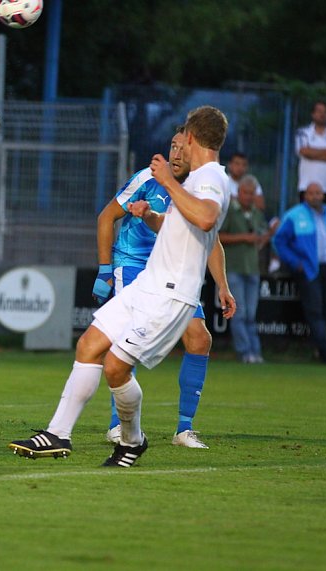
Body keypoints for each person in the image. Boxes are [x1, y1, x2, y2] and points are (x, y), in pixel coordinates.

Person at [9, 106, 234, 468]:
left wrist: (168, 183)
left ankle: (131, 441)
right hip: (147, 284)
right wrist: (151, 216)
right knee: (89, 345)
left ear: (191, 138)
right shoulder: (195, 181)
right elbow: (181, 228)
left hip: (171, 294)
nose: (178, 150)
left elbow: (207, 219)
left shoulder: (209, 177)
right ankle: (57, 434)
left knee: (116, 365)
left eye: (182, 142)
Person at [92, 126, 233, 450]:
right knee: (128, 338)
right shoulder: (146, 179)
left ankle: (184, 430)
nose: (176, 153)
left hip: (172, 270)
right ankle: (118, 425)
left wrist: (223, 285)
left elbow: (211, 242)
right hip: (133, 262)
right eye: (172, 146)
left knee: (199, 339)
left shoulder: (201, 187)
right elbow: (106, 217)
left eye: (182, 147)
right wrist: (104, 270)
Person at [273, 182, 326, 365]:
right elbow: (279, 241)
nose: (315, 196)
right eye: (311, 193)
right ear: (305, 195)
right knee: (315, 312)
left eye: (318, 193)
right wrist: (295, 262)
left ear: (323, 195)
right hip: (309, 269)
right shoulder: (294, 215)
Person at [219, 175, 277, 363]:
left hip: (252, 268)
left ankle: (255, 352)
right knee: (240, 312)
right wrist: (243, 237)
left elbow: (259, 238)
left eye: (252, 194)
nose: (249, 197)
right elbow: (219, 237)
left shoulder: (256, 213)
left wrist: (269, 233)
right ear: (239, 193)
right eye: (246, 193)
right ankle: (244, 352)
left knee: (251, 314)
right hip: (234, 268)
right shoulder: (230, 211)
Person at [296, 101, 326, 209]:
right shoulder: (303, 133)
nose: (322, 114)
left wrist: (314, 152)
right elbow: (304, 152)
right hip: (307, 186)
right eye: (318, 111)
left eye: (325, 112)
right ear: (312, 114)